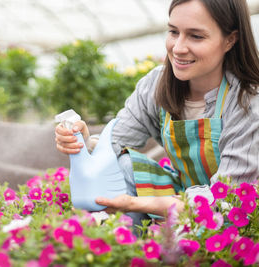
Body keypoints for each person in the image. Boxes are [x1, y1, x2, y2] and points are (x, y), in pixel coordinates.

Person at [55, 0, 259, 223]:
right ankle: (121, 250)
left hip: (238, 213)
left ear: (230, 39)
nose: (178, 48)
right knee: (122, 166)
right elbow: (113, 144)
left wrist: (138, 204)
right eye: (173, 32)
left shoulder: (248, 99)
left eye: (196, 36)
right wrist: (83, 142)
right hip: (182, 200)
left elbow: (228, 197)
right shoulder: (155, 85)